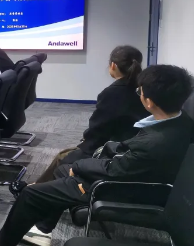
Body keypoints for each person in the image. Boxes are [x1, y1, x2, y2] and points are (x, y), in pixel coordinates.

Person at [0, 64, 193, 246]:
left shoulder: (155, 141)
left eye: (140, 92)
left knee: (31, 194)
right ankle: (42, 229)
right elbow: (126, 157)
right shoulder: (180, 122)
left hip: (119, 188)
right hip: (134, 176)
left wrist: (80, 168)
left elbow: (114, 171)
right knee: (63, 169)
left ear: (149, 101)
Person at [17, 45, 148, 187]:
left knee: (63, 158)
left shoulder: (112, 94)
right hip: (134, 147)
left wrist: (85, 141)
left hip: (113, 150)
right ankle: (36, 186)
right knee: (65, 154)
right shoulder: (145, 89)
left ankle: (35, 189)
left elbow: (97, 132)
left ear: (113, 65)